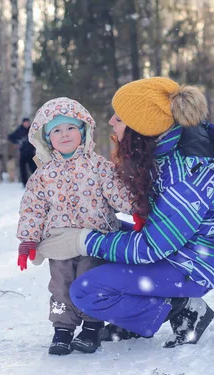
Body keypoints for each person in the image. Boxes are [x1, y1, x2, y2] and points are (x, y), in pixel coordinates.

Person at [36, 77, 214, 348]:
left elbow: (150, 247)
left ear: (141, 127)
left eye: (119, 118)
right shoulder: (163, 153)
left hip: (190, 265)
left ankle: (180, 308)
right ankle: (141, 311)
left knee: (86, 291)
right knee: (107, 230)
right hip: (175, 249)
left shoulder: (184, 176)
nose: (111, 122)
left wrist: (83, 239)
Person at [15, 97, 134, 356]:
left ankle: (92, 328)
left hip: (95, 240)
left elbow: (117, 194)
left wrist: (137, 207)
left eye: (70, 128)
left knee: (90, 283)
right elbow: (32, 208)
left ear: (83, 131)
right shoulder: (43, 175)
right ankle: (62, 329)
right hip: (59, 243)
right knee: (60, 286)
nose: (64, 134)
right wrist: (28, 240)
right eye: (56, 130)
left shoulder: (99, 166)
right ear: (47, 139)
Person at [8, 117, 37, 186]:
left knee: (34, 169)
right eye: (25, 123)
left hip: (31, 153)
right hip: (22, 153)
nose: (26, 124)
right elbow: (10, 137)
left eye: (27, 122)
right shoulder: (19, 130)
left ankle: (36, 181)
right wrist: (17, 142)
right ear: (23, 123)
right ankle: (25, 183)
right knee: (23, 170)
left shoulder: (32, 129)